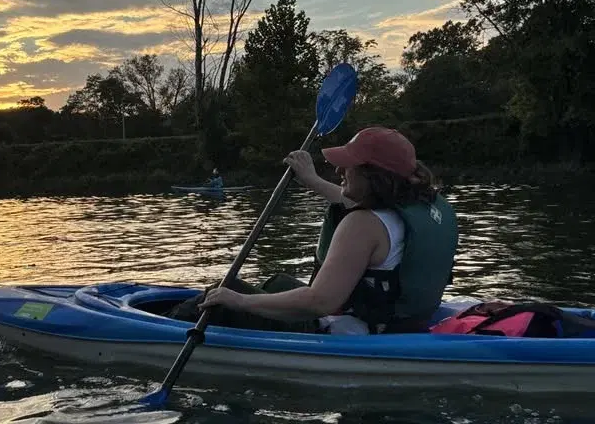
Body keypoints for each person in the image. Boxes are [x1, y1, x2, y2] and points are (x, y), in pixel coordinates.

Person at [189, 127, 459, 335]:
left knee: (226, 290)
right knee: (279, 283)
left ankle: (173, 329)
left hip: (353, 333)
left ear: (373, 175)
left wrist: (239, 301)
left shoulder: (363, 225)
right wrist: (311, 179)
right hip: (402, 325)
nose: (339, 169)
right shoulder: (423, 205)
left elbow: (319, 302)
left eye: (349, 165)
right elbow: (344, 198)